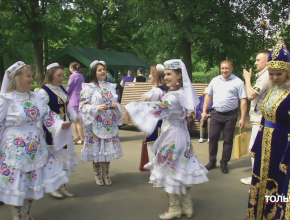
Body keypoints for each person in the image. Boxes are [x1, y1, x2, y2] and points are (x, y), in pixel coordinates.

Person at [125, 59, 208, 220]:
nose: (166, 77)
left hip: (172, 136)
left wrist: (133, 107)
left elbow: (160, 108)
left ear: (179, 77)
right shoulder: (181, 94)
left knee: (169, 171)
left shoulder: (173, 97)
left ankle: (175, 208)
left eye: (170, 74)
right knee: (182, 170)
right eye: (166, 74)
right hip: (181, 135)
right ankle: (187, 206)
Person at [0, 61, 71, 219]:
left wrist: (60, 124)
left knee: (31, 185)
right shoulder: (6, 99)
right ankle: (18, 216)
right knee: (18, 185)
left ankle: (27, 213)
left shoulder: (36, 97)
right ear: (17, 77)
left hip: (35, 147)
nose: (31, 79)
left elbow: (48, 115)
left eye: (31, 76)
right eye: (28, 76)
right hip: (15, 148)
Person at [246, 38, 290, 220]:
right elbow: (264, 119)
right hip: (264, 144)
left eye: (278, 74)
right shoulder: (272, 91)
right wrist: (256, 146)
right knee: (260, 182)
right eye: (271, 74)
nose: (274, 77)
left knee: (277, 184)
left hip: (281, 146)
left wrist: (287, 156)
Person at [39, 63, 82, 198]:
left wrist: (75, 117)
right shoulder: (43, 92)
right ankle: (52, 187)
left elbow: (68, 106)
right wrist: (57, 124)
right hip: (52, 131)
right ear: (50, 75)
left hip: (65, 130)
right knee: (54, 159)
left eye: (63, 75)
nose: (61, 78)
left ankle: (62, 186)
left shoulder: (61, 89)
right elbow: (43, 113)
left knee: (63, 158)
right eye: (59, 75)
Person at [79, 60, 123, 186]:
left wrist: (116, 106)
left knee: (107, 151)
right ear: (94, 73)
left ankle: (106, 174)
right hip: (96, 123)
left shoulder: (111, 86)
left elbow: (117, 102)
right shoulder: (88, 87)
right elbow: (82, 106)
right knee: (97, 151)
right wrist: (96, 108)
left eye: (104, 69)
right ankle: (97, 174)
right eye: (100, 70)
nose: (103, 71)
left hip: (109, 123)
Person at [202, 60, 247, 174]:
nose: (224, 70)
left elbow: (243, 100)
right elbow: (208, 96)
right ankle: (212, 161)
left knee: (228, 140)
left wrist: (242, 118)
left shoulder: (238, 82)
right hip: (216, 114)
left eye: (226, 68)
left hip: (230, 115)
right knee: (212, 138)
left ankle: (224, 162)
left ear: (232, 68)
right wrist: (204, 111)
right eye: (222, 68)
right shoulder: (215, 80)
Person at [240, 50, 270, 186]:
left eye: (258, 60)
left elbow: (251, 94)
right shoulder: (263, 75)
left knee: (255, 150)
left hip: (261, 119)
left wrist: (247, 79)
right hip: (259, 118)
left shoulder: (266, 75)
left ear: (267, 61)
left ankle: (257, 182)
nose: (256, 62)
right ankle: (255, 178)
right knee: (255, 150)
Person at [141, 64, 167, 163]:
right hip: (164, 123)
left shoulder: (156, 91)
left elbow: (144, 104)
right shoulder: (165, 90)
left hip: (155, 124)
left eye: (150, 74)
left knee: (153, 150)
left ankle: (155, 175)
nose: (149, 76)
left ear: (156, 76)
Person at [67, 62, 85, 145]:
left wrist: (64, 93)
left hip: (73, 99)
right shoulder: (81, 75)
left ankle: (81, 138)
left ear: (71, 68)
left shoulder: (73, 76)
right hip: (80, 98)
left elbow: (69, 87)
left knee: (76, 120)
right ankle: (76, 137)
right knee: (76, 119)